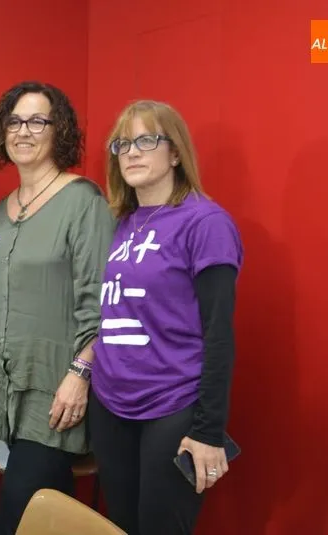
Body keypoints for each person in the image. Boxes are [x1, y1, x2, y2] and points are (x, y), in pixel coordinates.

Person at [88, 100, 243, 535]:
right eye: (122, 143)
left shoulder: (205, 222)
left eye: (146, 140)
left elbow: (219, 334)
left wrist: (209, 431)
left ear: (175, 152)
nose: (132, 152)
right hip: (112, 403)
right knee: (121, 526)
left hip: (172, 405)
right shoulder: (124, 221)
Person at [0, 81, 116, 535]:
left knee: (16, 514)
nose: (24, 131)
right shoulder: (0, 211)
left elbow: (100, 301)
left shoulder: (84, 201)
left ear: (60, 131)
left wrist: (80, 374)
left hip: (56, 389)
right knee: (50, 513)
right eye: (15, 121)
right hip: (3, 390)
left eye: (38, 120)